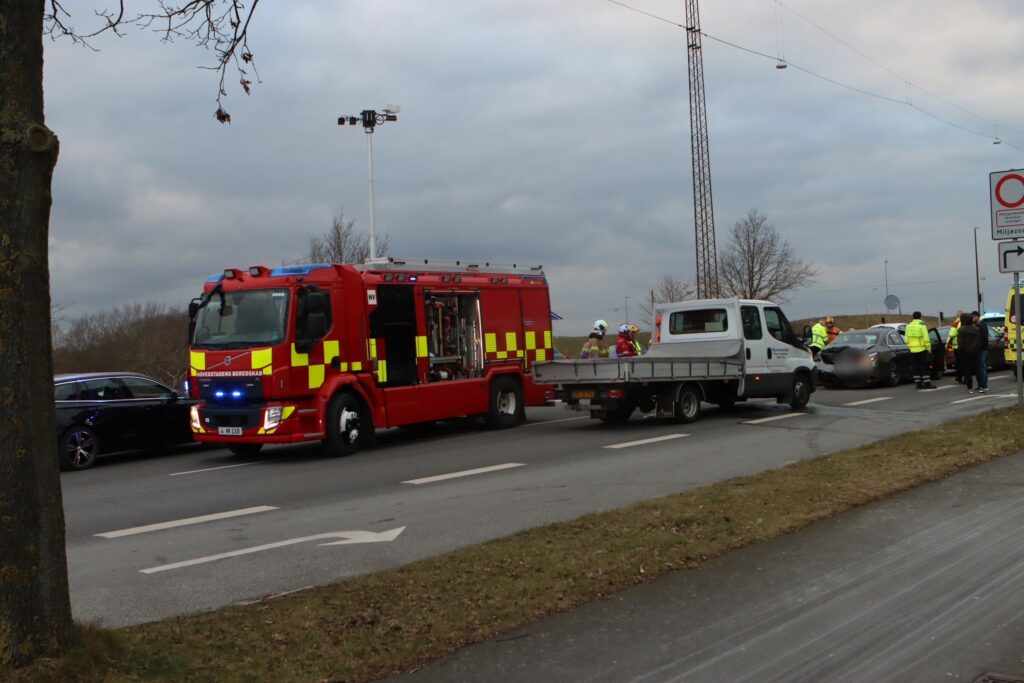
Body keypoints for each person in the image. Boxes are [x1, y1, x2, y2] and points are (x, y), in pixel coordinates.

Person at [904, 311, 934, 389]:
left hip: (912, 350)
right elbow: (926, 338)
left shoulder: (908, 326)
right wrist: (929, 349)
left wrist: (909, 346)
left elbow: (906, 339)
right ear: (920, 317)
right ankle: (927, 383)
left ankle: (918, 384)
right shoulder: (922, 326)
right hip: (921, 349)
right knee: (923, 366)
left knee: (915, 367)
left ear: (913, 317)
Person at [957, 312, 983, 394]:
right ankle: (981, 387)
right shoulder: (976, 329)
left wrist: (959, 350)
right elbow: (980, 340)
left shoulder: (961, 329)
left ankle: (970, 388)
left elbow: (960, 342)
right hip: (976, 351)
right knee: (977, 369)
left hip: (965, 352)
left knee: (967, 370)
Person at [973, 311, 990, 393]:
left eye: (973, 317)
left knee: (981, 368)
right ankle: (981, 385)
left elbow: (984, 338)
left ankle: (984, 386)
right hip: (979, 350)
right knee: (979, 368)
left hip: (982, 350)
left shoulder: (982, 325)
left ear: (977, 317)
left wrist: (981, 348)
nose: (972, 318)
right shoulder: (977, 325)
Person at [946, 310, 963, 384]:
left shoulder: (956, 323)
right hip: (966, 346)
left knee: (959, 363)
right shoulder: (967, 322)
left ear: (957, 316)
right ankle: (966, 378)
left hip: (957, 347)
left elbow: (952, 335)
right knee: (965, 363)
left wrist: (948, 344)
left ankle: (959, 377)